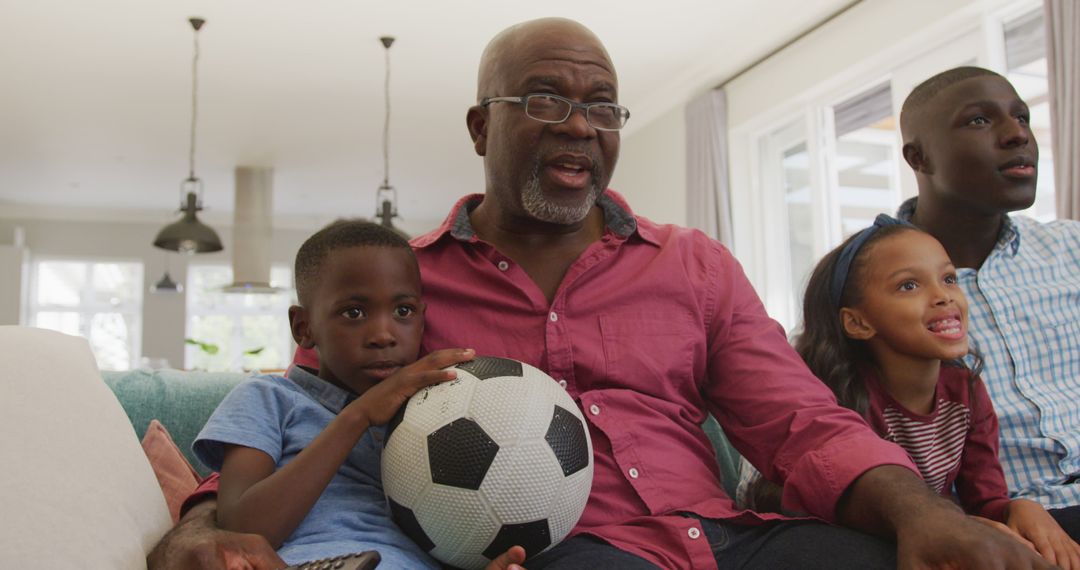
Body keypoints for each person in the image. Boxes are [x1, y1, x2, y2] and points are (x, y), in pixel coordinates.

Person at [150, 19, 1055, 570]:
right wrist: (198, 527)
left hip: (728, 539)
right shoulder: (403, 287)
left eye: (605, 106)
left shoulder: (692, 264)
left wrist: (922, 513)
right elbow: (301, 414)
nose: (580, 124)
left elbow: (801, 424)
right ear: (481, 125)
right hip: (569, 555)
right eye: (543, 99)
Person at [183, 220, 526, 569]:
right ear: (304, 327)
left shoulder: (440, 413)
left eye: (403, 311)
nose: (382, 334)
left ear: (422, 320)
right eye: (354, 312)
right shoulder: (268, 399)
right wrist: (358, 416)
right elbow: (241, 530)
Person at [759, 214, 1078, 567]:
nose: (943, 296)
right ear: (858, 322)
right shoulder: (847, 402)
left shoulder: (967, 391)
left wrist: (1021, 509)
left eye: (949, 278)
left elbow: (984, 500)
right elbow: (844, 518)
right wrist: (966, 528)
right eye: (909, 285)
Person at [896, 66, 1080, 532]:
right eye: (979, 120)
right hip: (1004, 527)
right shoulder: (866, 287)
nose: (1017, 134)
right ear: (919, 157)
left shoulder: (1072, 248)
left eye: (1022, 117)